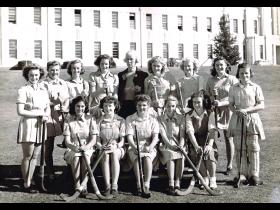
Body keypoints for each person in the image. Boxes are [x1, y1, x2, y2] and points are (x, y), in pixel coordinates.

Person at [228, 63, 265, 186]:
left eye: (247, 73)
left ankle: (254, 175)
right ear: (238, 74)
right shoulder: (233, 88)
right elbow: (230, 105)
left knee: (253, 147)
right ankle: (242, 174)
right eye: (242, 73)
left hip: (252, 119)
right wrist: (237, 111)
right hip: (238, 119)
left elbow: (261, 105)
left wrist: (247, 110)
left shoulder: (255, 87)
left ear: (250, 74)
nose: (244, 75)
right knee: (240, 148)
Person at [16, 64, 50, 193]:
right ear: (27, 76)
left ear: (40, 75)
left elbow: (47, 106)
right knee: (28, 155)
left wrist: (46, 114)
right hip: (29, 124)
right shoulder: (23, 90)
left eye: (36, 75)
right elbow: (20, 111)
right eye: (31, 75)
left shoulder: (43, 89)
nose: (34, 77)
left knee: (35, 155)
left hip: (41, 124)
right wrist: (39, 114)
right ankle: (26, 183)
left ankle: (30, 179)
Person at [206, 57, 238, 175]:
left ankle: (229, 165)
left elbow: (234, 97)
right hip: (215, 112)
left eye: (221, 65)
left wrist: (221, 102)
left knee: (228, 138)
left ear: (226, 66)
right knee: (212, 138)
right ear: (214, 67)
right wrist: (211, 99)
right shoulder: (210, 80)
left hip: (228, 111)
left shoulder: (232, 79)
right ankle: (212, 163)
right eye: (217, 65)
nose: (219, 67)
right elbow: (207, 95)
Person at [126, 94, 159, 196]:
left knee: (147, 157)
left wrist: (150, 147)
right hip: (134, 145)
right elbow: (129, 137)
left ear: (148, 106)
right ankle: (138, 184)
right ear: (136, 106)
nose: (142, 107)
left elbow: (155, 137)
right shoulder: (130, 119)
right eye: (139, 105)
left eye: (144, 105)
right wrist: (135, 147)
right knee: (137, 157)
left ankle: (146, 185)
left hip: (149, 145)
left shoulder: (153, 119)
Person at [63, 96, 97, 197]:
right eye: (78, 106)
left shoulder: (90, 118)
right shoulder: (68, 119)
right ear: (74, 106)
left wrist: (86, 147)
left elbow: (94, 140)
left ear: (85, 107)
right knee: (76, 156)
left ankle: (84, 186)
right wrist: (73, 147)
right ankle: (77, 186)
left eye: (82, 106)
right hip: (72, 147)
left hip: (88, 147)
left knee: (85, 155)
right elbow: (67, 141)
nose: (80, 108)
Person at [185, 90, 218, 189]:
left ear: (203, 102)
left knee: (209, 153)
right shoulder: (189, 115)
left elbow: (212, 131)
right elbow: (190, 132)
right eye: (194, 102)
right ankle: (204, 178)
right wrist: (196, 146)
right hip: (194, 140)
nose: (196, 104)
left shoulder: (210, 113)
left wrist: (209, 145)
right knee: (197, 153)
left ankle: (212, 179)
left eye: (198, 102)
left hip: (207, 140)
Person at [43, 60, 69, 180]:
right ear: (48, 70)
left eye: (57, 70)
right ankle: (49, 171)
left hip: (62, 115)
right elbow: (42, 102)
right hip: (49, 115)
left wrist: (65, 107)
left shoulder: (63, 83)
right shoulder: (43, 84)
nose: (55, 72)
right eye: (52, 70)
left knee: (69, 142)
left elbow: (66, 99)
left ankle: (70, 169)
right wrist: (54, 102)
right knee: (49, 146)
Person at [95, 96, 126, 197]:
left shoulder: (121, 120)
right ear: (102, 107)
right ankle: (107, 185)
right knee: (105, 155)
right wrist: (100, 146)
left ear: (115, 107)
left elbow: (122, 141)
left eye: (110, 106)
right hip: (103, 147)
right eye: (105, 106)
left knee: (113, 154)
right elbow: (97, 140)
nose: (108, 108)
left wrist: (116, 146)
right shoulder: (98, 121)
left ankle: (114, 185)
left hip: (117, 147)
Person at [58, 59, 89, 149]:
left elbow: (87, 97)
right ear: (70, 70)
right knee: (70, 134)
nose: (76, 70)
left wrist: (85, 93)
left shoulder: (85, 83)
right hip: (71, 110)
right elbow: (65, 98)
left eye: (78, 68)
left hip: (82, 111)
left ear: (81, 69)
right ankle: (68, 149)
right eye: (73, 68)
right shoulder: (66, 83)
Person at [158, 95, 185, 195]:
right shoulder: (160, 118)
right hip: (165, 144)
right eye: (168, 106)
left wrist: (181, 145)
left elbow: (182, 135)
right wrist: (170, 145)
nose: (170, 109)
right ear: (165, 106)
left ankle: (178, 182)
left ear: (176, 106)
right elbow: (163, 135)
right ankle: (171, 183)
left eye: (173, 106)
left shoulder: (181, 118)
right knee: (171, 154)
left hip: (178, 143)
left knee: (181, 155)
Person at [118, 50, 149, 119]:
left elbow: (146, 92)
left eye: (131, 59)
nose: (129, 61)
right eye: (127, 59)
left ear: (136, 60)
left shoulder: (143, 75)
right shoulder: (120, 75)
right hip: (123, 105)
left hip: (137, 105)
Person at [88, 54, 119, 119]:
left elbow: (115, 94)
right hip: (97, 107)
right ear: (98, 64)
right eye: (102, 64)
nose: (104, 66)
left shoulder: (114, 77)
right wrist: (102, 90)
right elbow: (92, 94)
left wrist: (114, 103)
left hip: (109, 107)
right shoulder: (93, 76)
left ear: (109, 64)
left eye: (106, 64)